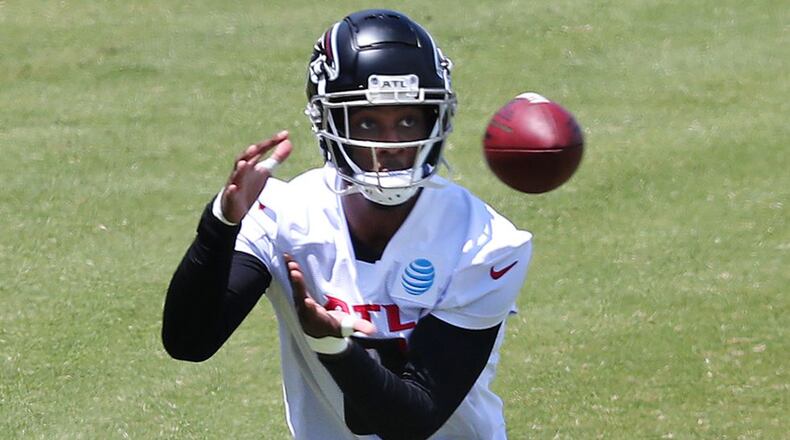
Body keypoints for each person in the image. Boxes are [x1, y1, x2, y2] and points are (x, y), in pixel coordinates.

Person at [162, 9, 533, 440]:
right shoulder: (284, 212)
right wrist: (222, 224)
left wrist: (333, 345)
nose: (392, 144)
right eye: (368, 122)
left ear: (436, 119)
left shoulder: (485, 243)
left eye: (408, 120)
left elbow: (415, 418)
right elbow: (189, 342)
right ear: (329, 123)